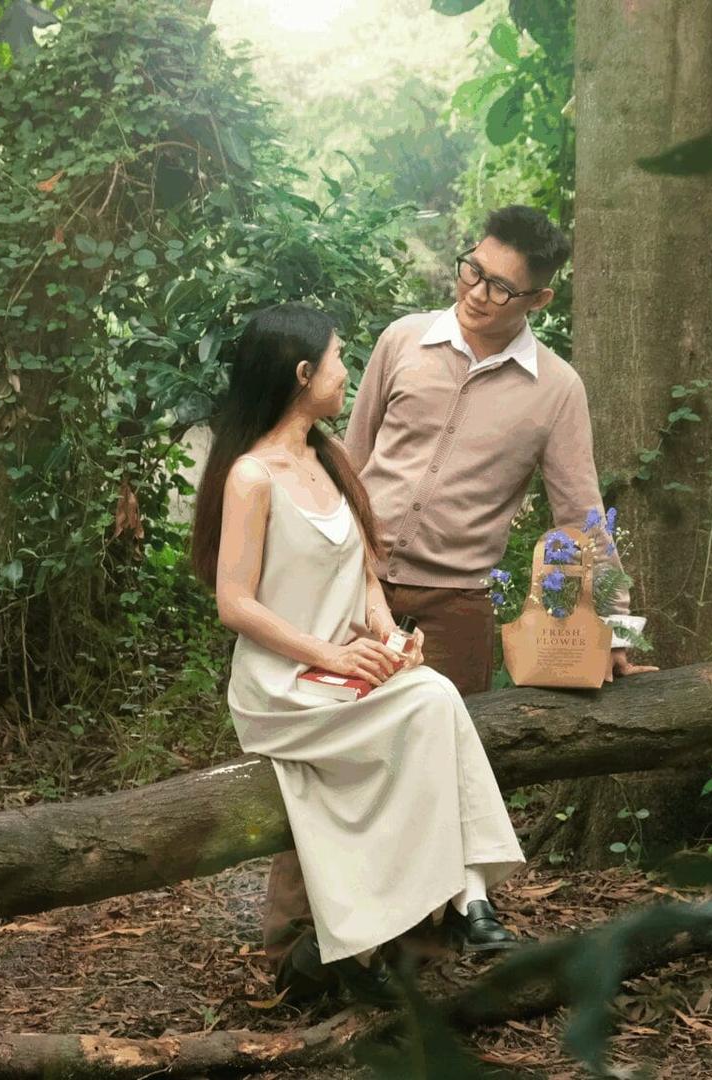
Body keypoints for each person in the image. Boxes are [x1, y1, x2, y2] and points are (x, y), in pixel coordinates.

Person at [259, 205, 658, 990]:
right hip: (351, 587)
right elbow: (346, 460)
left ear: (539, 299)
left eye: (501, 287)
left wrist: (616, 630)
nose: (477, 292)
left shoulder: (556, 390)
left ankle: (403, 968)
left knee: (428, 780)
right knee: (320, 759)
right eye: (472, 270)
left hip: (455, 606)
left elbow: (580, 516)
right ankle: (294, 954)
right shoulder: (402, 341)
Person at [190, 303, 526, 1003]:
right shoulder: (251, 477)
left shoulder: (330, 457)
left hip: (340, 672)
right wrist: (334, 656)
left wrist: (389, 635)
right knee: (433, 701)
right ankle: (465, 900)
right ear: (302, 373)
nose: (348, 371)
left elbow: (365, 574)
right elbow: (235, 604)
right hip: (284, 686)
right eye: (339, 358)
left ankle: (423, 915)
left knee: (430, 694)